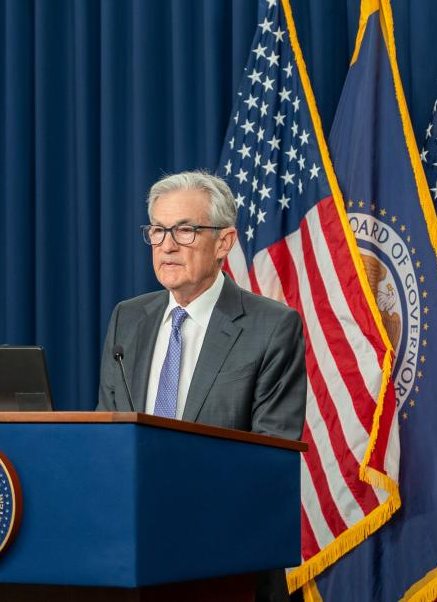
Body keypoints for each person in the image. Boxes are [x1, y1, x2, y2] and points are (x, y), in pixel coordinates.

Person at [96, 171, 307, 602]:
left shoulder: (271, 327)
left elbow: (269, 459)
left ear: (225, 242)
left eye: (185, 230)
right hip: (129, 562)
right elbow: (106, 440)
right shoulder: (127, 319)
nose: (167, 245)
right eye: (157, 229)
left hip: (226, 565)